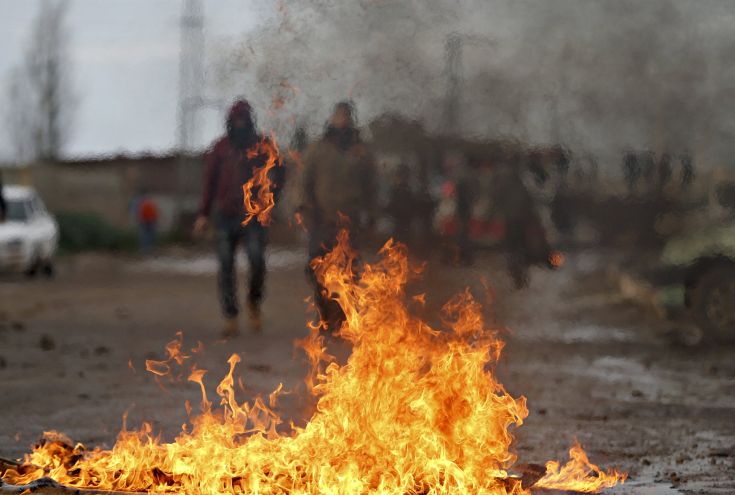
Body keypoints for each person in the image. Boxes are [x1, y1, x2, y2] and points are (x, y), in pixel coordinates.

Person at [194, 99, 282, 337]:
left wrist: (270, 203)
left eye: (244, 119)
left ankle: (254, 303)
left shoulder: (262, 146)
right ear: (230, 122)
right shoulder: (220, 149)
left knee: (256, 261)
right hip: (226, 216)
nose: (240, 124)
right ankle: (231, 315)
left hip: (253, 216)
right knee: (225, 267)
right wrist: (203, 214)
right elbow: (209, 183)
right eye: (236, 120)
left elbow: (278, 173)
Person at [299, 101, 375, 329]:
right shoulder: (318, 149)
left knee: (349, 270)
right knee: (318, 268)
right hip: (322, 219)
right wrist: (303, 207)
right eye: (338, 116)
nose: (342, 120)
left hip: (350, 221)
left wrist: (370, 212)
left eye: (346, 116)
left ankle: (342, 316)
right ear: (332, 119)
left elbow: (371, 184)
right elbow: (304, 182)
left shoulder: (360, 151)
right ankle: (325, 313)